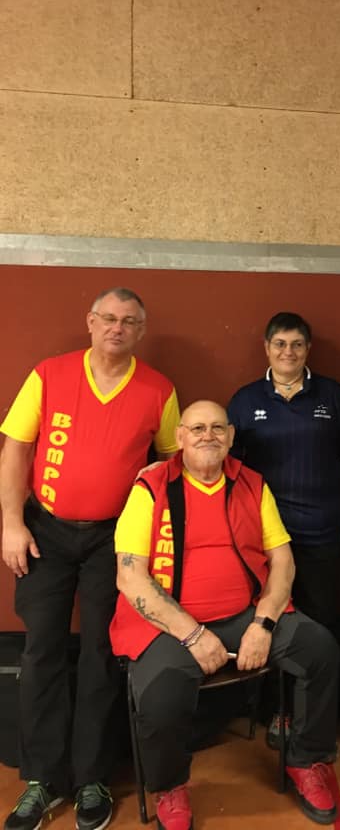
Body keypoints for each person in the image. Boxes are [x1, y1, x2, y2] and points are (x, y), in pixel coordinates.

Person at [110, 400, 340, 830]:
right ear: (180, 437)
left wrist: (263, 623)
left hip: (245, 615)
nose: (208, 435)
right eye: (197, 428)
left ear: (232, 437)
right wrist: (192, 635)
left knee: (320, 650)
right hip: (170, 626)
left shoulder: (252, 483)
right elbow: (130, 578)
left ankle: (306, 759)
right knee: (160, 694)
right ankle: (170, 787)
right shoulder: (151, 488)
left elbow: (283, 561)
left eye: (218, 427)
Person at [0, 287, 179, 830]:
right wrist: (10, 523)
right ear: (90, 322)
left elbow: (171, 462)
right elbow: (16, 449)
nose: (117, 328)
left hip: (114, 540)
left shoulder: (159, 390)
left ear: (141, 331)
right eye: (108, 318)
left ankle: (91, 778)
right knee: (42, 650)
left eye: (129, 321)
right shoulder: (49, 374)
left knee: (103, 653)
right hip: (45, 531)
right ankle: (41, 779)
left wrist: (152, 528)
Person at [226, 312, 340, 747]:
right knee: (267, 622)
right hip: (264, 539)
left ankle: (313, 720)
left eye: (296, 344)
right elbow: (228, 470)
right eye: (280, 344)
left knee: (319, 625)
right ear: (266, 348)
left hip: (323, 531)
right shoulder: (245, 400)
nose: (287, 352)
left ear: (308, 349)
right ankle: (276, 710)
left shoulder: (333, 396)